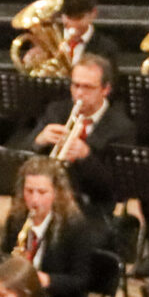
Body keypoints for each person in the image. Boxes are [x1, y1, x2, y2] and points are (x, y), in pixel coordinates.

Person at [0, 155, 102, 297]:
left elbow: (80, 281)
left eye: (42, 192)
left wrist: (45, 280)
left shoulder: (75, 227)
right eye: (29, 191)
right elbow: (2, 259)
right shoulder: (17, 220)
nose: (34, 200)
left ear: (57, 192)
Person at [32, 51, 135, 215]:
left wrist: (86, 157)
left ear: (105, 89)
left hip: (93, 207)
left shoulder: (121, 127)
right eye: (75, 85)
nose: (79, 93)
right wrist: (39, 140)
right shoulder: (56, 111)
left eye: (87, 87)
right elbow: (23, 156)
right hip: (49, 198)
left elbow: (116, 187)